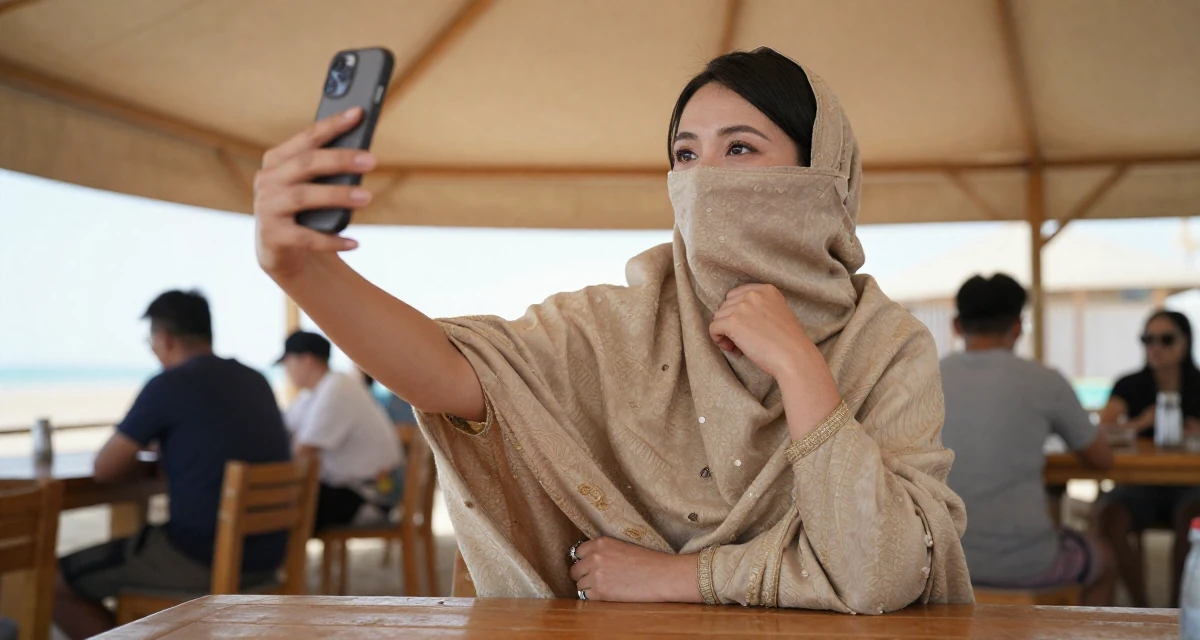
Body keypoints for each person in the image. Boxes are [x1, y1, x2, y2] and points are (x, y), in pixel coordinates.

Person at [252, 47, 972, 612]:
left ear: (823, 172)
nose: (702, 179)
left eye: (740, 149)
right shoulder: (620, 322)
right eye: (685, 155)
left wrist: (801, 372)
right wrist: (301, 272)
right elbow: (454, 375)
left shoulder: (886, 347)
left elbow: (884, 570)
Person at [54, 291, 291, 639]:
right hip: (267, 555)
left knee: (54, 581)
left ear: (163, 339)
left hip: (199, 557)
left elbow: (105, 468)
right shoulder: (255, 379)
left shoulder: (169, 384)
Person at [940, 274, 1115, 605]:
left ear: (956, 325)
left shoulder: (927, 376)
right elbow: (1102, 460)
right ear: (1018, 327)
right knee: (1103, 557)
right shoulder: (1045, 381)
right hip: (1025, 561)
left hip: (941, 561)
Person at [1095, 310, 1200, 606]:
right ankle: (1142, 607)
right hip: (1138, 483)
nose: (1155, 346)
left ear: (1185, 342)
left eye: (1166, 339)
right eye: (1147, 339)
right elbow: (1102, 430)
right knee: (1108, 517)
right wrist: (1139, 423)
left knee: (1193, 518)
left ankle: (1178, 610)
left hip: (1190, 483)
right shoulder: (1129, 384)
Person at [279, 331, 404, 531]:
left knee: (282, 505)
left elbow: (302, 451)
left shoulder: (337, 388)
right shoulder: (313, 394)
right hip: (352, 490)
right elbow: (282, 430)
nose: (285, 370)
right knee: (283, 500)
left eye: (287, 362)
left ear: (307, 361)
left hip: (369, 497)